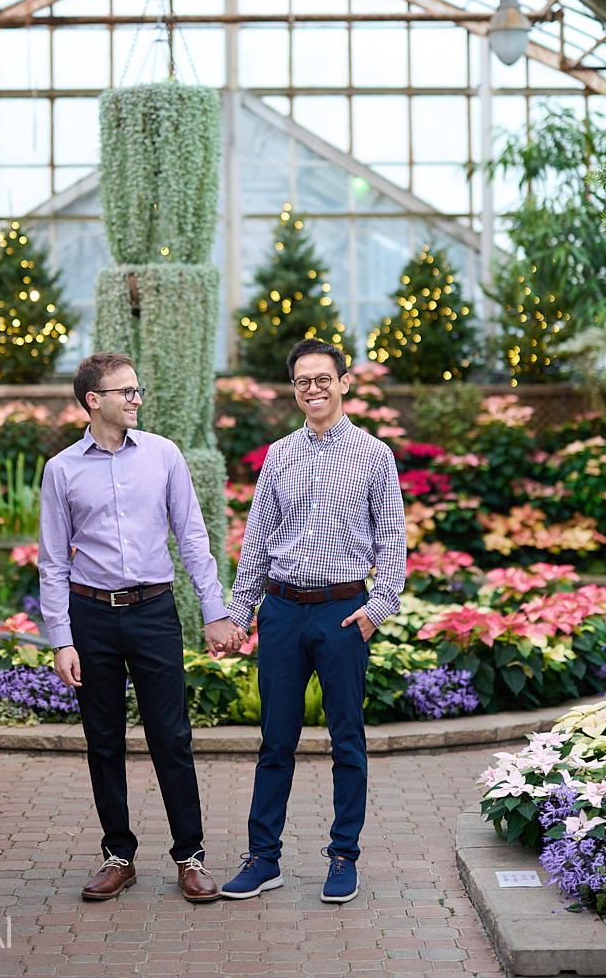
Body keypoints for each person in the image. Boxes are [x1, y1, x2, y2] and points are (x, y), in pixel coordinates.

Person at [38, 351, 240, 903]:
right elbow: (53, 562)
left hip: (153, 612)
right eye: (125, 391)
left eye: (137, 390)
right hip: (91, 616)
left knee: (171, 737)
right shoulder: (61, 470)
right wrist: (62, 639)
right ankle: (118, 856)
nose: (136, 399)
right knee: (103, 743)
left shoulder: (163, 456)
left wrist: (214, 609)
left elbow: (193, 538)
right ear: (92, 400)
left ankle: (190, 857)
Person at [220, 338, 407, 904]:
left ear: (344, 383)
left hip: (343, 615)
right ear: (294, 389)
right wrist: (239, 615)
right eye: (303, 381)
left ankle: (343, 856)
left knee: (346, 740)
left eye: (323, 378)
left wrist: (375, 613)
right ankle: (264, 858)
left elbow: (393, 547)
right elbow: (256, 543)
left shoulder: (375, 455)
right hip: (280, 613)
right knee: (275, 741)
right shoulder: (279, 455)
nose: (313, 389)